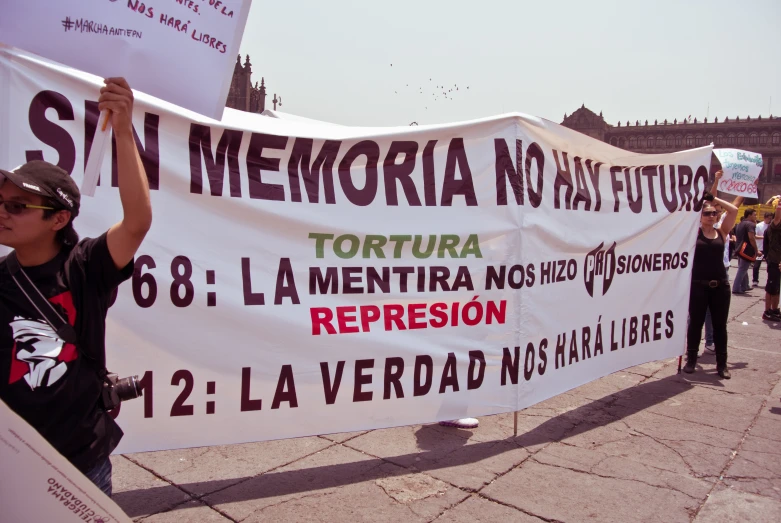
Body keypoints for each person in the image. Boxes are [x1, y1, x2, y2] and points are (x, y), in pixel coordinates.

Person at [0, 78, 151, 496]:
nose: (3, 213)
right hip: (11, 465)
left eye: (17, 206)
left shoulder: (84, 267)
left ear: (58, 219)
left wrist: (123, 127)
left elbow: (136, 222)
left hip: (79, 464)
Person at [684, 193, 738, 378]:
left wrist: (714, 198)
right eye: (707, 213)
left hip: (720, 286)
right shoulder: (694, 233)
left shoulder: (722, 232)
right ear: (700, 216)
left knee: (719, 326)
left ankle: (722, 364)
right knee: (695, 324)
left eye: (714, 213)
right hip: (698, 285)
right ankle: (691, 359)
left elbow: (734, 210)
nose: (711, 215)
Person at [732, 209, 758, 295]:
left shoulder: (740, 223)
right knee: (742, 269)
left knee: (743, 268)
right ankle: (736, 287)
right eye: (754, 215)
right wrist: (756, 250)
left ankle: (745, 286)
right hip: (746, 249)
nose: (756, 216)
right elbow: (751, 238)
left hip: (739, 248)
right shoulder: (750, 224)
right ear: (749, 215)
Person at [762, 202, 781, 321]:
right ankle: (767, 311)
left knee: (776, 288)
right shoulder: (775, 226)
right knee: (771, 288)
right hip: (774, 261)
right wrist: (779, 205)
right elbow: (778, 217)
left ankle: (775, 310)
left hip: (777, 261)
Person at [753, 212, 772, 287]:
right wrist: (764, 238)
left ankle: (769, 281)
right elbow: (755, 236)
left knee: (770, 266)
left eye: (771, 218)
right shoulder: (759, 225)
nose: (770, 220)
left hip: (768, 249)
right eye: (768, 218)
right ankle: (755, 280)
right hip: (760, 248)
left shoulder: (771, 226)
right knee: (756, 265)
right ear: (765, 218)